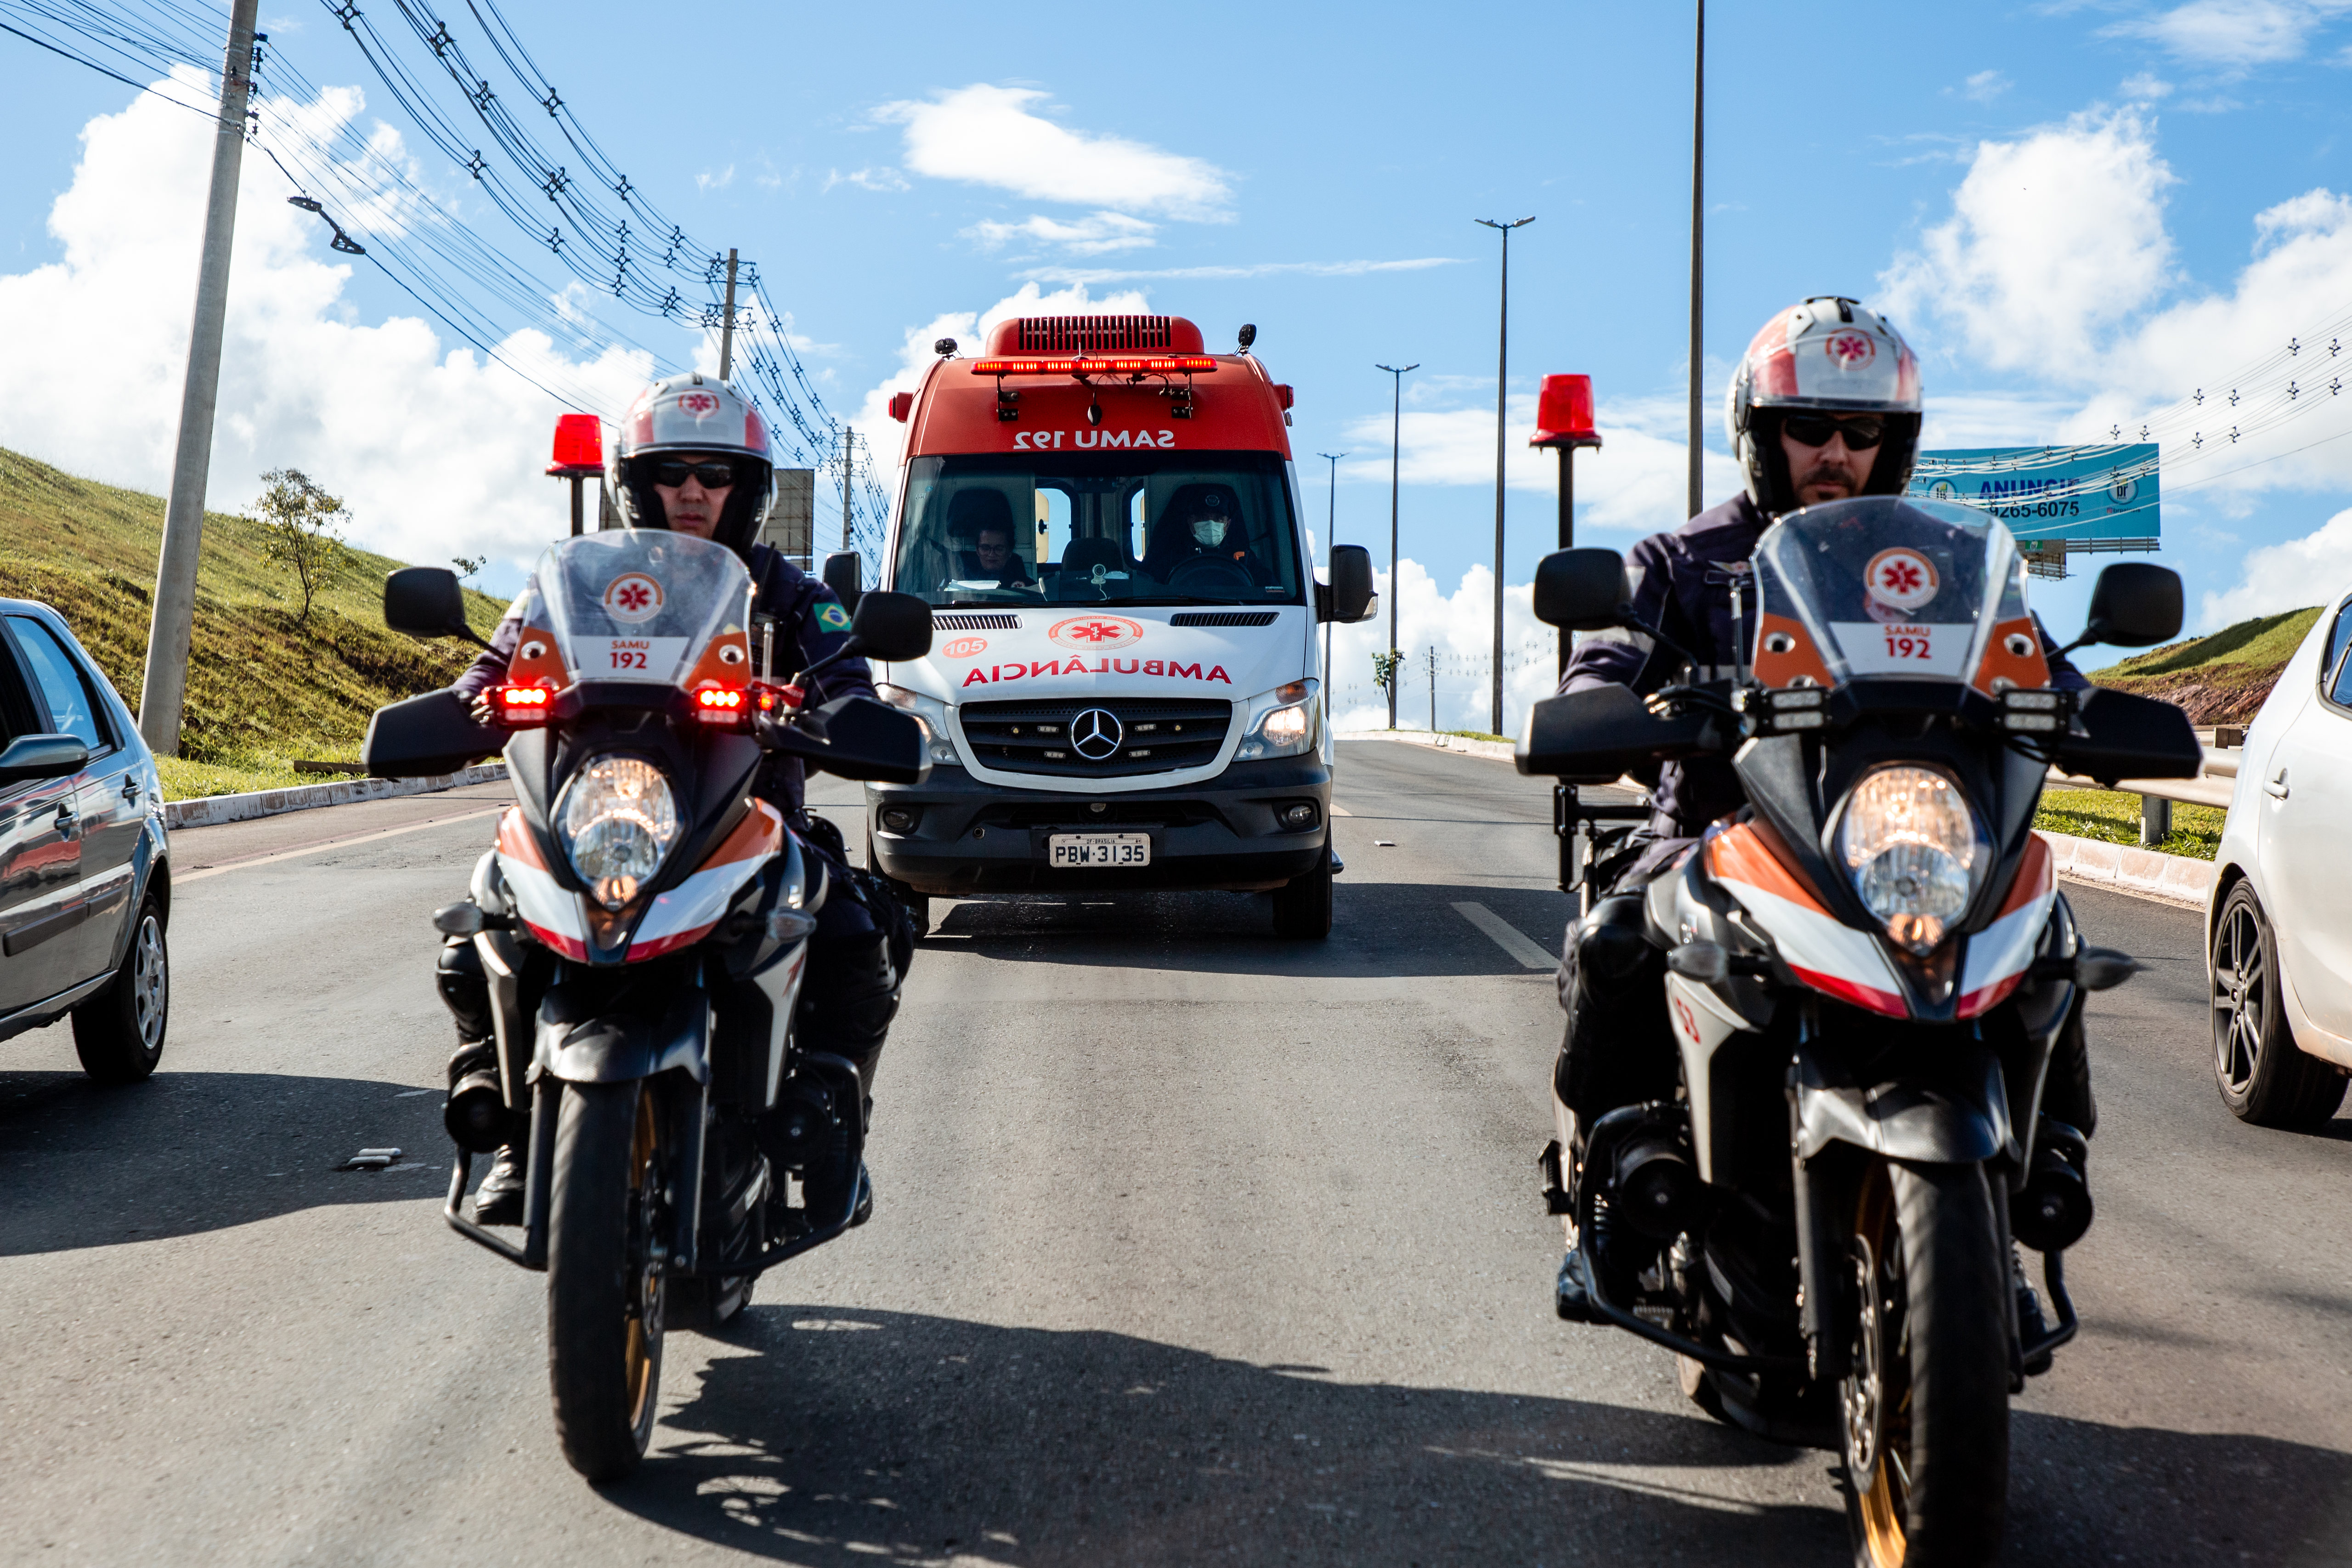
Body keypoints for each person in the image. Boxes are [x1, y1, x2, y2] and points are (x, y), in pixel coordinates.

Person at [1548, 297, 2094, 1319]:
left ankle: (2042, 1162)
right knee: (1619, 929)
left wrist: (2092, 709)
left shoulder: (1946, 562)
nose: (1835, 452)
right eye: (1810, 429)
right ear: (1761, 436)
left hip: (1905, 844)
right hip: (1721, 837)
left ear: (1893, 443)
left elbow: (2038, 665)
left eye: (1862, 431)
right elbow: (1606, 659)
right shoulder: (1684, 560)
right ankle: (1625, 1191)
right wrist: (1608, 705)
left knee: (2046, 925)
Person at [441, 373, 910, 1227]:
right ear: (634, 483)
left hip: (750, 821)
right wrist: (478, 697)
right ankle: (509, 1130)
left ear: (750, 490)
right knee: (480, 928)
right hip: (595, 819)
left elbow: (850, 683)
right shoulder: (570, 587)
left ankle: (832, 1135)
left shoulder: (794, 593)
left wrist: (827, 709)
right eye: (672, 470)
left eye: (717, 473)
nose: (694, 490)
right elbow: (495, 662)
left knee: (856, 937)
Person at [1142, 484, 1262, 585]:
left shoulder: (1244, 558)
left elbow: (1271, 591)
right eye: (1203, 517)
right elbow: (1147, 589)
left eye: (1218, 519)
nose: (1211, 523)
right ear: (1191, 523)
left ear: (1227, 525)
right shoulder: (1171, 556)